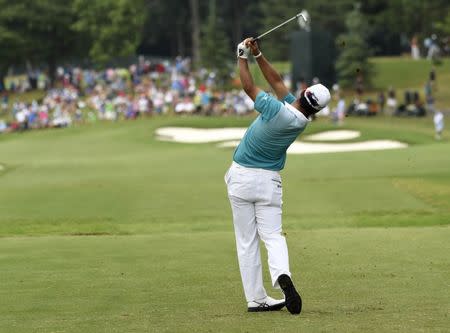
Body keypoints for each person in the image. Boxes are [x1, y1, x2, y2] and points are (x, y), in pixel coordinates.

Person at [225, 38, 331, 314]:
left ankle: (256, 299)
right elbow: (277, 83)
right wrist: (258, 54)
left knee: (247, 241)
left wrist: (241, 55)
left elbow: (249, 87)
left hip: (241, 177)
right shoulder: (300, 118)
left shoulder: (277, 110)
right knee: (272, 236)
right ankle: (282, 275)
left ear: (304, 92)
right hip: (269, 182)